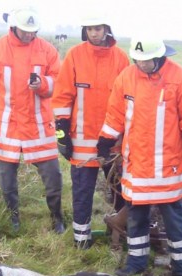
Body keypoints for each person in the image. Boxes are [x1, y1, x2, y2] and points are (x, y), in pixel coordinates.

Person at [96, 36, 182, 276]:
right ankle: (136, 262)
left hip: (168, 167)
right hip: (136, 165)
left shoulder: (181, 79)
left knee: (174, 221)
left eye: (146, 61)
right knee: (136, 216)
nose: (142, 64)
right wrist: (105, 140)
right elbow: (115, 114)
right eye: (138, 60)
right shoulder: (126, 77)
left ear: (160, 57)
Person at [0, 7, 65, 234]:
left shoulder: (47, 50)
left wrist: (43, 84)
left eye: (33, 31)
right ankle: (12, 218)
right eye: (25, 31)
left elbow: (60, 82)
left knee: (53, 176)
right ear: (13, 27)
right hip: (7, 128)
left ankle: (57, 218)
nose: (29, 35)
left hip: (39, 127)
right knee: (6, 179)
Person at [51, 14, 129, 249]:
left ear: (106, 28)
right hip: (81, 143)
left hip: (113, 144)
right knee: (82, 193)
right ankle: (81, 240)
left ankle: (121, 234)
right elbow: (62, 96)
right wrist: (62, 134)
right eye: (89, 29)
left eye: (98, 28)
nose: (94, 33)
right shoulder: (75, 55)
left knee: (121, 192)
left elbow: (128, 100)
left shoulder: (120, 58)